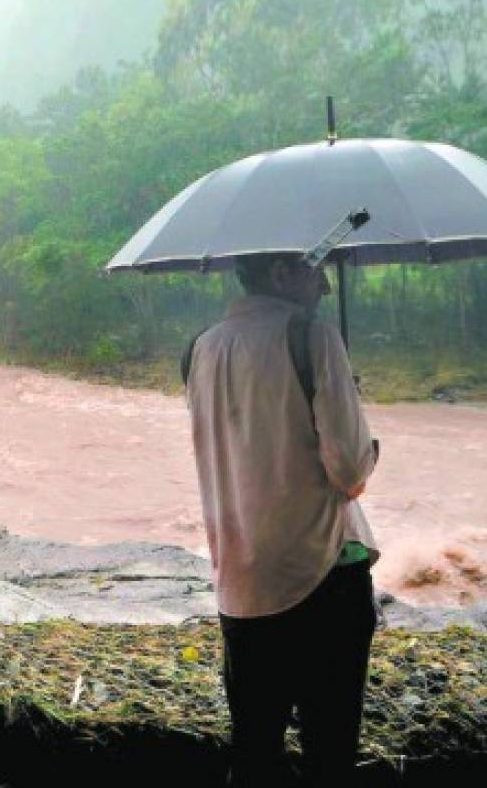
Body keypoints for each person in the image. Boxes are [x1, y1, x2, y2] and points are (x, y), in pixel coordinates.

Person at [183, 253, 380, 787]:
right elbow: (351, 471)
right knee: (329, 749)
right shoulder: (314, 338)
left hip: (241, 579)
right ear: (280, 273)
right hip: (320, 574)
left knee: (255, 749)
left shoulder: (202, 346)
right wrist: (359, 421)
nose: (325, 282)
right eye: (315, 268)